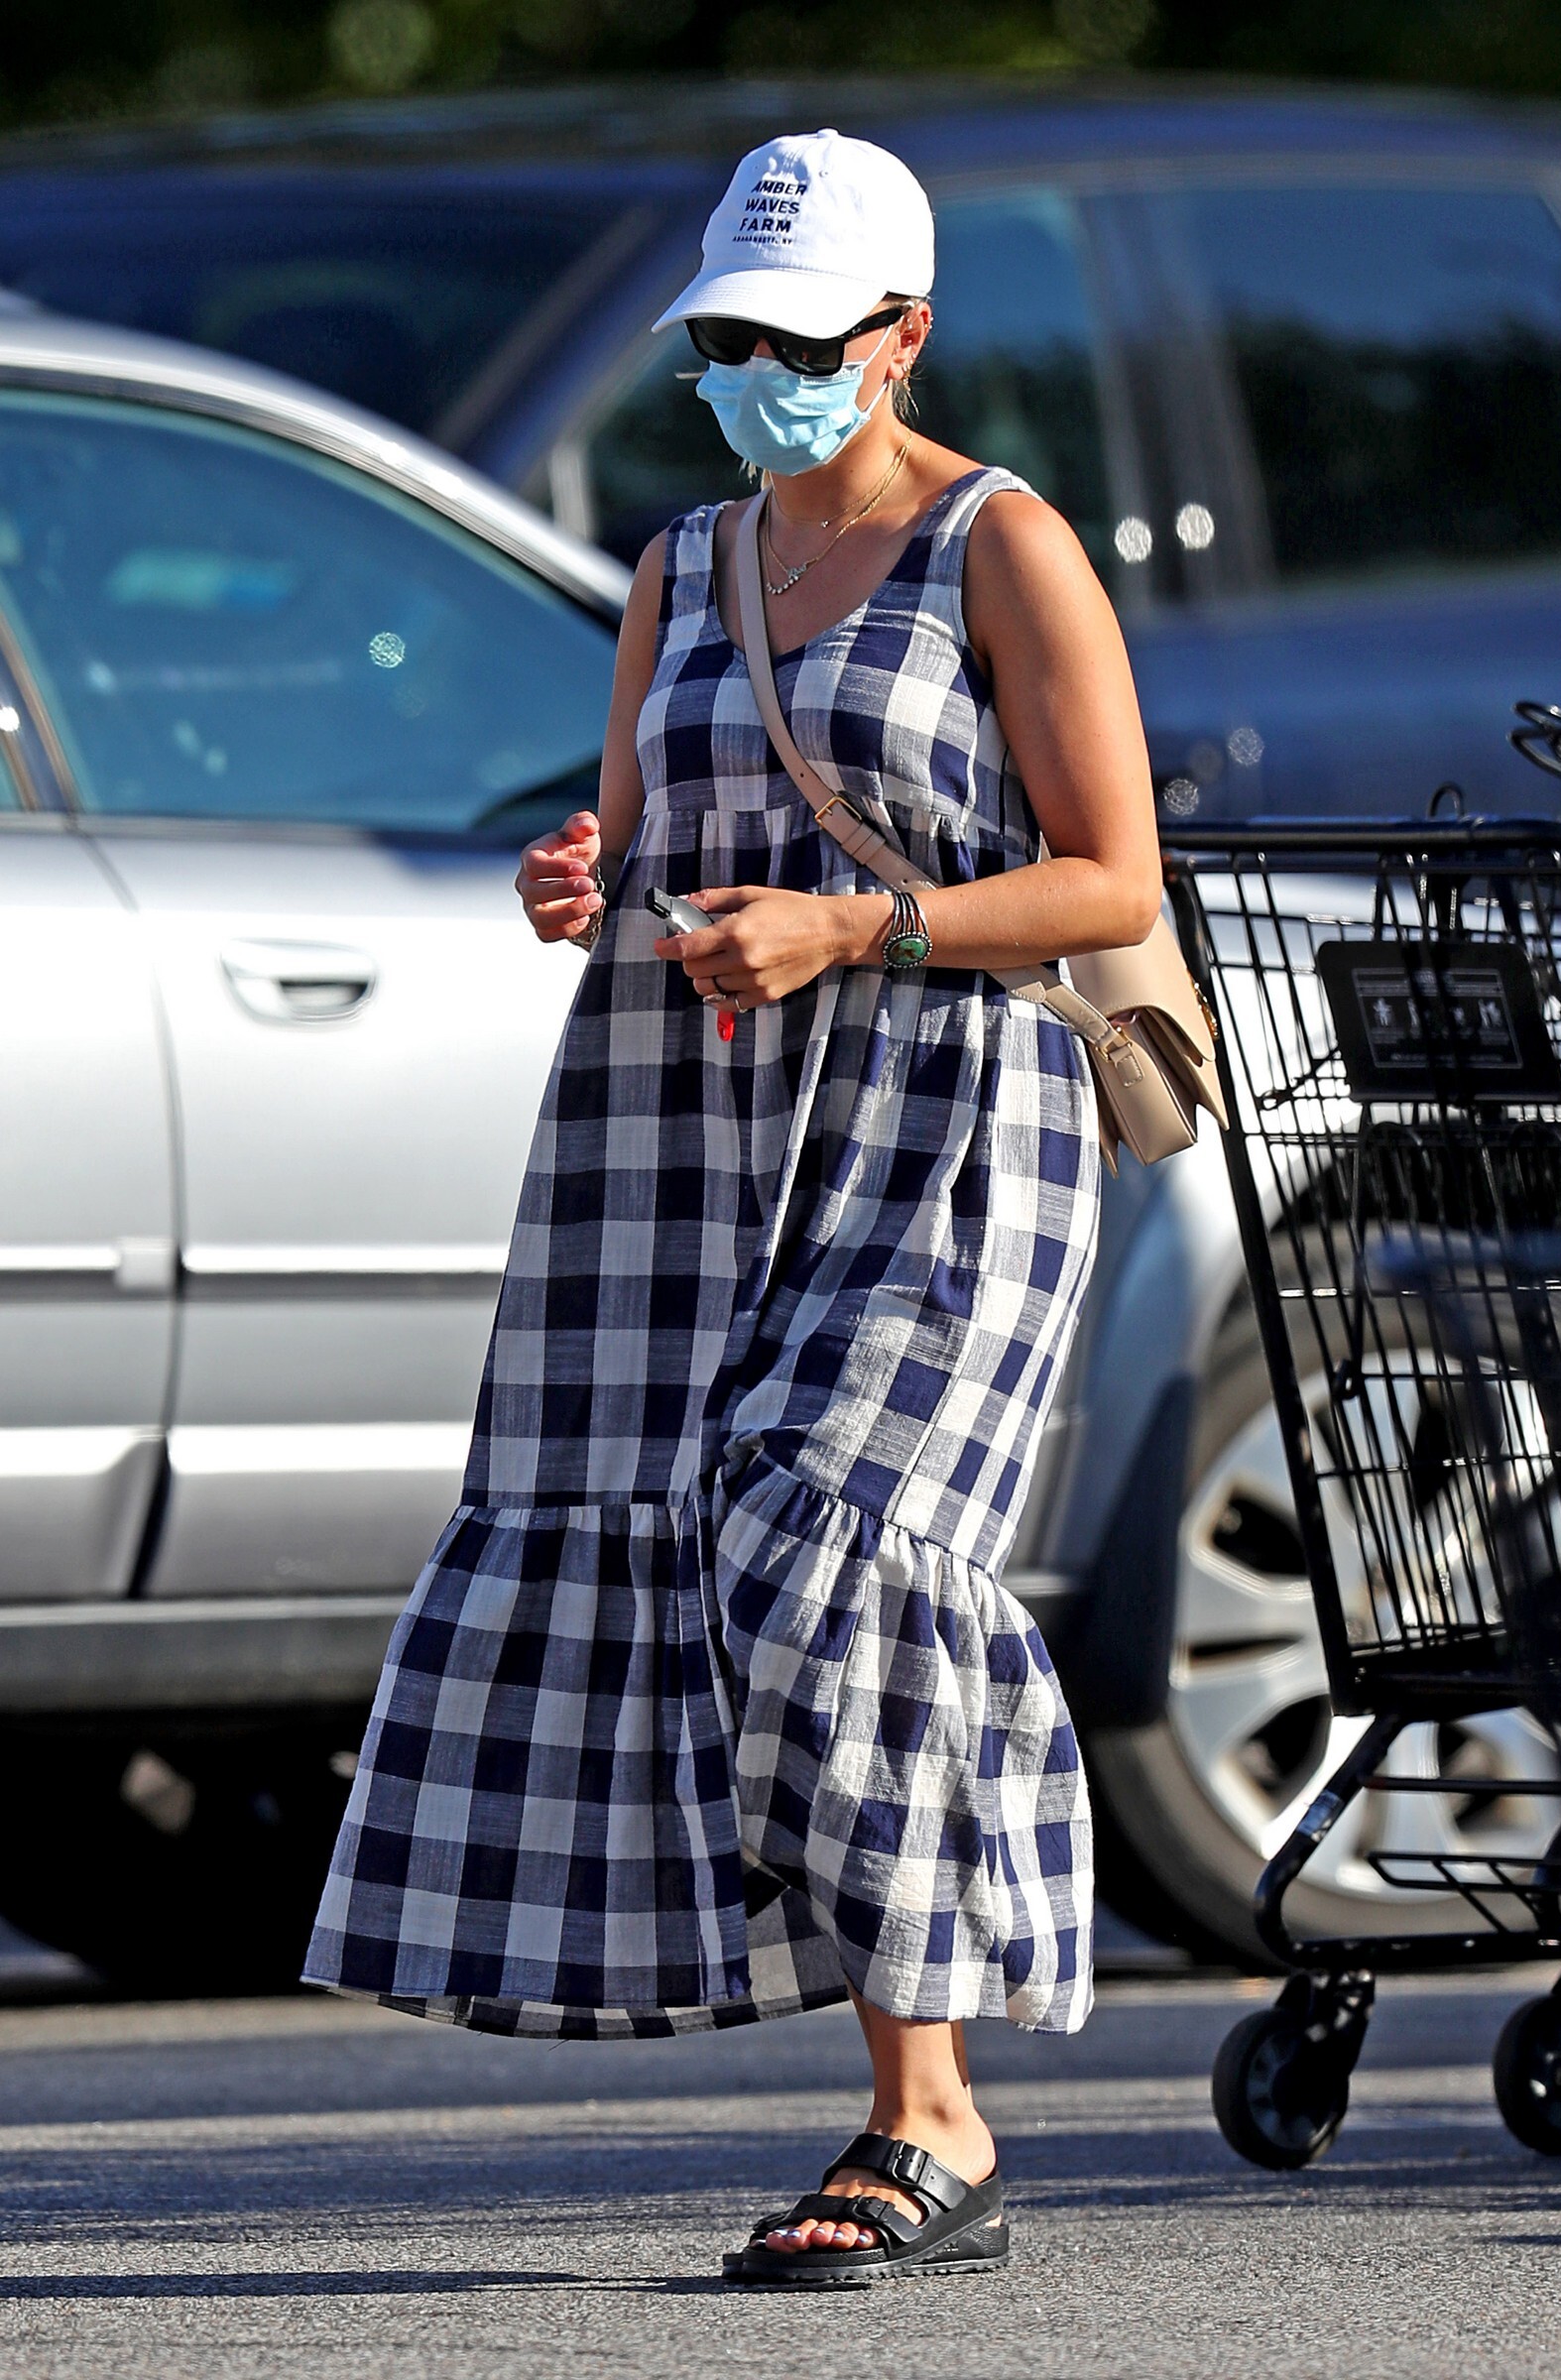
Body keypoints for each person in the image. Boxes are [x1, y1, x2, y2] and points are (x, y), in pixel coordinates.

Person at [304, 127, 1160, 2287]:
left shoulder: (1001, 544)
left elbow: (1110, 879)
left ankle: (934, 2112)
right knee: (701, 1547)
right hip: (693, 1128)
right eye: (722, 342)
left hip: (954, 1121)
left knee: (816, 1531)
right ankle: (912, 2093)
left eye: (794, 342)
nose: (752, 377)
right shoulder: (681, 564)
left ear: (900, 337)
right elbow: (633, 835)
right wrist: (577, 879)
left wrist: (857, 931)